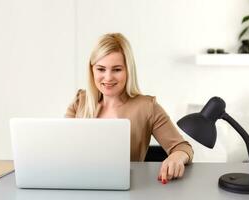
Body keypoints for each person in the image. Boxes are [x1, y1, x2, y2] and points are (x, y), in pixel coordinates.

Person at [65, 33, 193, 184]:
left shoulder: (147, 107)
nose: (108, 77)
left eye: (117, 69)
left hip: (126, 189)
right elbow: (63, 146)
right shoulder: (80, 101)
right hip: (79, 185)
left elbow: (183, 147)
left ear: (128, 70)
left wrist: (176, 157)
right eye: (101, 69)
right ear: (92, 70)